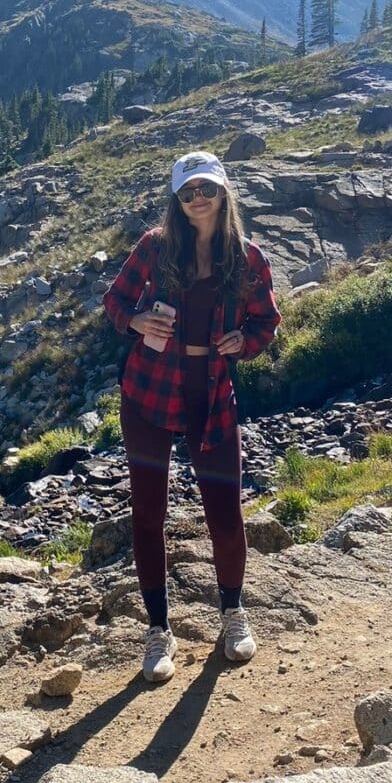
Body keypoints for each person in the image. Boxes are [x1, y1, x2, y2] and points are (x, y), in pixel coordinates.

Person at [103, 150, 282, 683]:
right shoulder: (155, 247)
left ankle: (233, 612)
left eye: (206, 188)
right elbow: (115, 303)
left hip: (212, 393)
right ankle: (158, 631)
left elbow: (267, 321)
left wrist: (244, 342)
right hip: (148, 395)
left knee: (225, 515)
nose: (198, 199)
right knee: (148, 514)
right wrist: (138, 322)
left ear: (223, 192)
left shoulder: (247, 258)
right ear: (176, 201)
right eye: (187, 192)